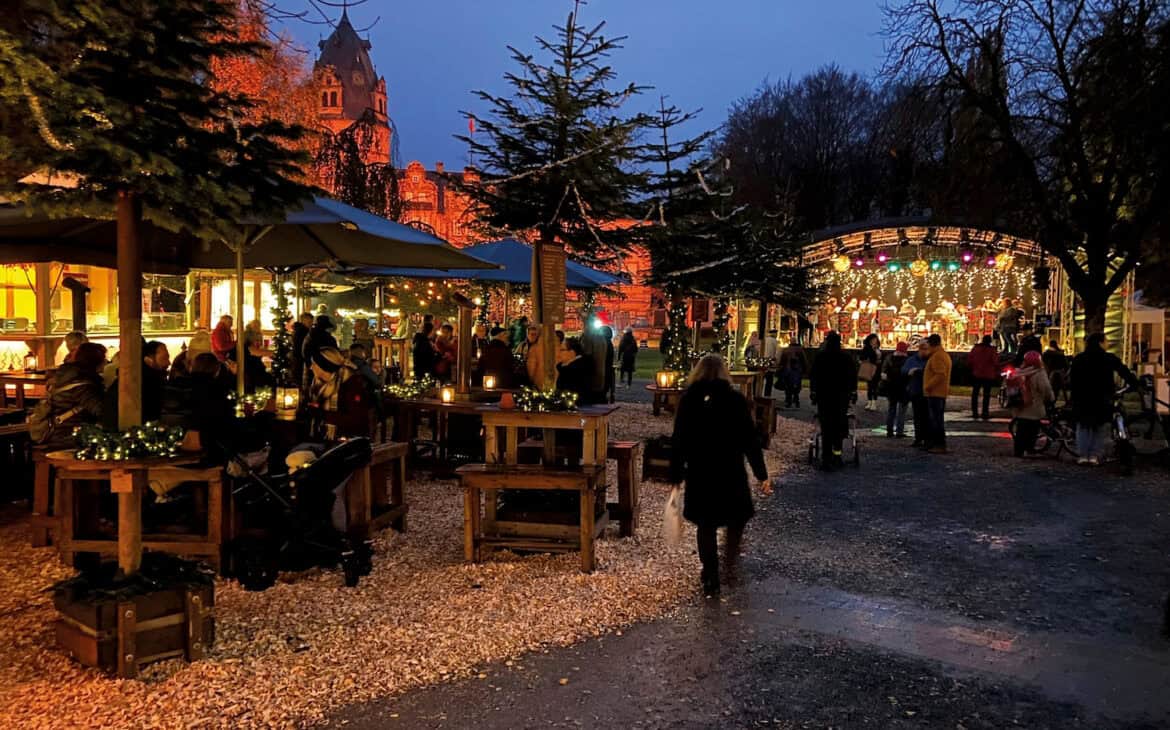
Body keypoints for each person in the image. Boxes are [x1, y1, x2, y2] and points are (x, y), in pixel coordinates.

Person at [669, 354, 768, 596]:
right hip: (730, 470)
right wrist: (761, 473)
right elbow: (749, 440)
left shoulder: (689, 400)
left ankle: (710, 572)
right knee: (736, 519)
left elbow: (679, 439)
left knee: (706, 524)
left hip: (701, 471)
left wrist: (676, 473)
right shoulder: (735, 400)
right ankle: (729, 562)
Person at [1069, 332, 1139, 465]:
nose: (1107, 344)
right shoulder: (1108, 358)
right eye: (1105, 341)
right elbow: (1124, 371)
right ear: (1100, 343)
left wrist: (1074, 396)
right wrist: (1135, 383)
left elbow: (1073, 380)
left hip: (1082, 398)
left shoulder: (1079, 358)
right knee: (1099, 427)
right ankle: (1094, 455)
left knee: (1083, 427)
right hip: (1103, 397)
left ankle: (1083, 455)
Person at [30, 342, 106, 448]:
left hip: (57, 433)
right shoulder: (83, 385)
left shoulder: (66, 376)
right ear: (94, 362)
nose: (106, 362)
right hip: (69, 436)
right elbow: (102, 411)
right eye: (104, 359)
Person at [809, 332, 857, 470]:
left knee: (826, 426)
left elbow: (814, 376)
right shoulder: (846, 358)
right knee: (839, 425)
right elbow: (852, 376)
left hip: (824, 396)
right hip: (841, 397)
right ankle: (837, 454)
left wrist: (814, 392)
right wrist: (852, 392)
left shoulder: (821, 357)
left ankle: (826, 457)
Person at [103, 340, 170, 429]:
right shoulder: (147, 381)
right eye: (164, 358)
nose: (168, 363)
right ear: (148, 359)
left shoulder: (135, 376)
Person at [1010, 350, 1055, 457]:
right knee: (1032, 430)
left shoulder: (1019, 372)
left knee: (1021, 430)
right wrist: (1051, 398)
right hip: (1034, 407)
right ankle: (1029, 449)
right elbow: (1046, 389)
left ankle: (1019, 451)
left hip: (1020, 406)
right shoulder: (1039, 373)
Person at [923, 333, 953, 454]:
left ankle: (939, 444)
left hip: (935, 393)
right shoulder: (942, 355)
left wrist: (927, 386)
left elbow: (940, 374)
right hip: (939, 392)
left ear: (931, 344)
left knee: (936, 420)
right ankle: (936, 444)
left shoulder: (937, 357)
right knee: (937, 419)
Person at [903, 341, 932, 447]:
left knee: (926, 416)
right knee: (918, 416)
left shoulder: (930, 360)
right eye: (923, 349)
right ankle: (919, 438)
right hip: (916, 391)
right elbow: (904, 370)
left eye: (927, 349)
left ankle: (926, 438)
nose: (925, 351)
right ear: (919, 349)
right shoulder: (912, 360)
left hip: (927, 391)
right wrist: (910, 371)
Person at [881, 341, 911, 438]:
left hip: (891, 387)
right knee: (902, 411)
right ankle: (899, 431)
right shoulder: (907, 360)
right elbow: (908, 375)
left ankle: (889, 431)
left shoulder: (889, 358)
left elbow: (883, 372)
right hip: (903, 388)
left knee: (891, 409)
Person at [968, 335, 1001, 420]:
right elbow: (995, 362)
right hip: (988, 375)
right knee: (986, 395)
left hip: (976, 374)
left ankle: (974, 412)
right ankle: (985, 412)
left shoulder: (976, 349)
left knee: (975, 394)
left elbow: (970, 360)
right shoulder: (992, 350)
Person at [554, 336, 594, 402]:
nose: (559, 353)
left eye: (562, 350)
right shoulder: (565, 367)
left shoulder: (578, 369)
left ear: (572, 352)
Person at [777, 338, 807, 408]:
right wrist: (805, 370)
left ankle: (788, 400)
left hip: (788, 371)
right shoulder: (800, 350)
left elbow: (782, 360)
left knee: (788, 386)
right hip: (797, 371)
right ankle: (796, 400)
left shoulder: (786, 350)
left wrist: (780, 368)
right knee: (797, 386)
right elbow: (804, 360)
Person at [859, 334, 882, 411]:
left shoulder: (878, 348)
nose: (874, 341)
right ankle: (869, 402)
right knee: (870, 386)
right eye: (873, 340)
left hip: (877, 369)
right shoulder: (867, 348)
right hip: (869, 368)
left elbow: (880, 358)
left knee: (874, 386)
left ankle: (874, 403)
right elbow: (862, 357)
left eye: (875, 340)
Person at [291, 312, 314, 384]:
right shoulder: (303, 332)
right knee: (301, 380)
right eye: (309, 322)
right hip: (301, 359)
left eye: (311, 322)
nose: (311, 324)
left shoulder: (299, 330)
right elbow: (305, 346)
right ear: (303, 321)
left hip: (298, 358)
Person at [762, 329, 779, 397]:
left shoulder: (765, 339)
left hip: (763, 361)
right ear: (774, 334)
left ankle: (758, 392)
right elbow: (777, 352)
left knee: (761, 378)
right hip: (770, 362)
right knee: (769, 380)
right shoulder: (775, 341)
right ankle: (767, 394)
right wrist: (776, 361)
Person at [601, 325, 616, 403]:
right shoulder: (609, 343)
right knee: (607, 384)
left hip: (604, 367)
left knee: (604, 384)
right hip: (608, 366)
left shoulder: (605, 343)